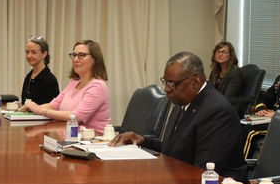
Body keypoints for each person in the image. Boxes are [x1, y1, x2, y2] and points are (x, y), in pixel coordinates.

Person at [112, 51, 243, 173]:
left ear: (195, 82)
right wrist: (141, 140)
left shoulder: (217, 112)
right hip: (181, 181)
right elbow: (174, 149)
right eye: (165, 82)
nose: (166, 89)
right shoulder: (184, 101)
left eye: (172, 84)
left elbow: (204, 170)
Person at [21, 39, 111, 131]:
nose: (75, 59)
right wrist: (28, 109)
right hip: (69, 136)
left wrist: (40, 110)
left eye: (81, 55)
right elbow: (54, 105)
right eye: (74, 55)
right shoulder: (74, 82)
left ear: (95, 59)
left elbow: (77, 117)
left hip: (90, 142)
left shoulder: (97, 87)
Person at [20, 35, 60, 106]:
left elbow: (51, 109)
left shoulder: (50, 80)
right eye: (27, 52)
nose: (29, 56)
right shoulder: (28, 77)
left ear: (44, 54)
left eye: (33, 52)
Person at [206, 40, 244, 106]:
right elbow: (210, 91)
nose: (220, 54)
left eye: (224, 52)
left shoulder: (235, 73)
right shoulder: (215, 72)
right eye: (218, 52)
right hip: (215, 105)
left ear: (230, 55)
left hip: (227, 109)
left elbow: (227, 98)